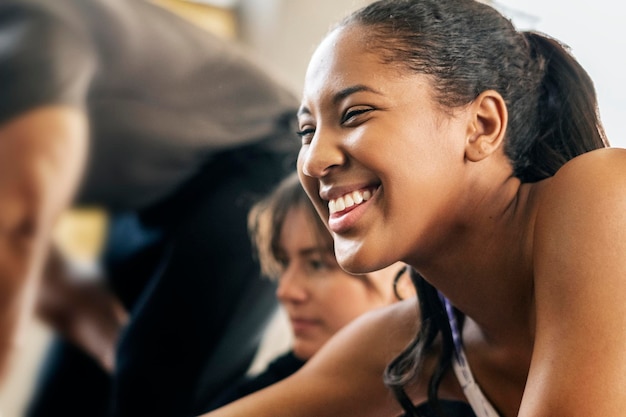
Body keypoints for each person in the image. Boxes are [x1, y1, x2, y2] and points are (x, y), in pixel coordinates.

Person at [202, 0, 626, 416]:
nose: (313, 161)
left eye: (354, 114)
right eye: (307, 131)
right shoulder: (422, 342)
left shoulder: (603, 192)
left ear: (482, 127)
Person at [0, 0, 300, 416]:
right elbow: (27, 250)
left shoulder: (27, 27)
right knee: (70, 395)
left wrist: (136, 367)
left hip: (257, 159)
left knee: (155, 397)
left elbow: (20, 227)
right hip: (152, 196)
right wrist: (111, 345)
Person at [208, 171, 413, 409]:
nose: (285, 291)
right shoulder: (267, 388)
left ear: (407, 278)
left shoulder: (454, 394)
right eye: (284, 262)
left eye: (317, 264)